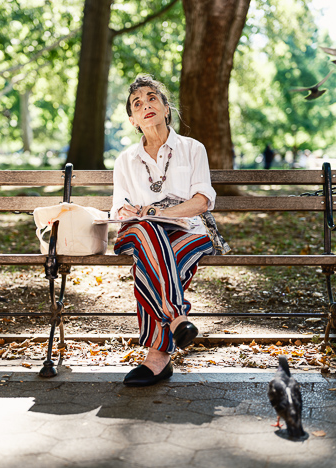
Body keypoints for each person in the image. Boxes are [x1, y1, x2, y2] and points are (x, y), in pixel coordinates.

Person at [111, 75, 217, 387]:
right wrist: (128, 211)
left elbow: (201, 201)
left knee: (153, 264)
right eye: (137, 103)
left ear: (166, 107)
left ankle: (157, 358)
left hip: (187, 231)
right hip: (139, 234)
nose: (146, 105)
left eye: (152, 98)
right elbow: (118, 207)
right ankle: (176, 317)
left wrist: (161, 213)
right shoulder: (125, 160)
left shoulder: (192, 149)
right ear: (132, 119)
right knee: (146, 231)